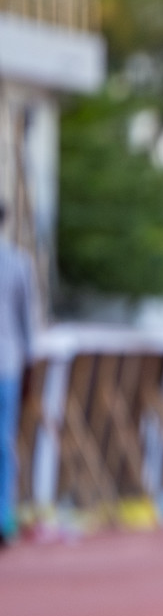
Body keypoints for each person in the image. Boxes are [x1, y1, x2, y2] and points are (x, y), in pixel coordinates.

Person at [0, 207, 37, 545]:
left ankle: (2, 516)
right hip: (8, 364)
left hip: (6, 364)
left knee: (2, 442)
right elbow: (30, 324)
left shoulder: (17, 262)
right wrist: (29, 368)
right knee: (2, 442)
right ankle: (2, 516)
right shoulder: (18, 261)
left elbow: (28, 321)